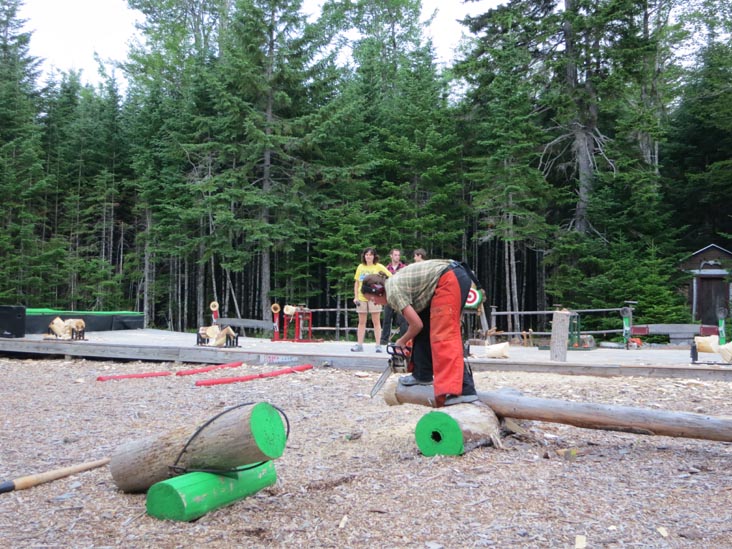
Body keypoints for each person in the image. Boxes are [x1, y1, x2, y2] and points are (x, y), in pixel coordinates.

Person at [360, 259, 479, 407]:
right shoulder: (393, 286)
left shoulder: (393, 292)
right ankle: (422, 374)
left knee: (443, 335)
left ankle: (463, 390)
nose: (375, 303)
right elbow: (420, 326)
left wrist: (401, 341)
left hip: (449, 278)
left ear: (377, 291)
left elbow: (416, 325)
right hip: (446, 278)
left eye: (372, 299)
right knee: (427, 328)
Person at [352, 247, 391, 353]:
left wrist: (383, 289)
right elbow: (357, 282)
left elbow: (389, 276)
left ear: (374, 256)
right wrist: (355, 296)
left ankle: (378, 345)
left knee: (376, 321)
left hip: (375, 297)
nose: (368, 256)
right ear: (364, 256)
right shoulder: (360, 267)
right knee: (361, 321)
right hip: (362, 296)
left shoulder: (378, 266)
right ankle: (359, 344)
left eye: (370, 254)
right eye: (366, 254)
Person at [379, 248, 409, 347]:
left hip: (400, 296)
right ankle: (384, 340)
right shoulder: (386, 268)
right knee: (387, 318)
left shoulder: (404, 268)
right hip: (389, 296)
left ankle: (403, 340)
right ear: (391, 256)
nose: (397, 257)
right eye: (395, 255)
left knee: (402, 319)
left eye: (398, 255)